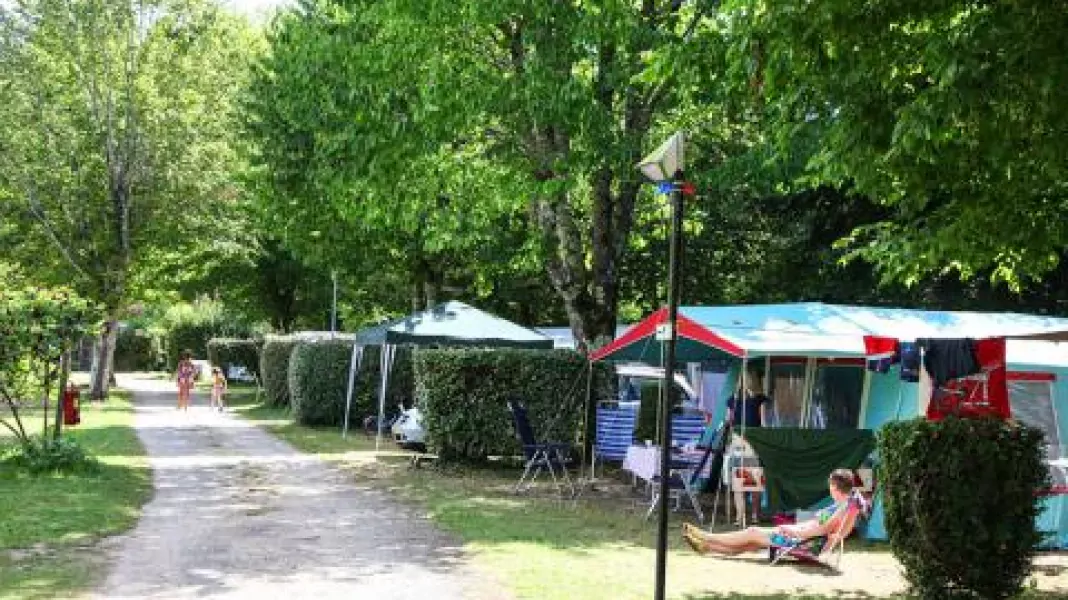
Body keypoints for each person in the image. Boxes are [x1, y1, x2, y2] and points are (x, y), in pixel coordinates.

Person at [683, 468, 860, 557]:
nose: (829, 488)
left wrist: (792, 530)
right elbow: (839, 531)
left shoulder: (843, 508)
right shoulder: (844, 506)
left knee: (752, 532)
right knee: (751, 544)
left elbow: (821, 531)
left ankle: (705, 536)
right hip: (801, 538)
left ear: (836, 487)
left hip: (799, 541)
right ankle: (707, 547)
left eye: (830, 485)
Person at [724, 376, 771, 523]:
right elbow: (763, 424)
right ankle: (755, 516)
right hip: (754, 442)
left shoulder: (732, 400)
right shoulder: (759, 399)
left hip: (737, 442)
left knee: (739, 480)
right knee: (754, 480)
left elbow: (728, 421)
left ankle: (740, 517)